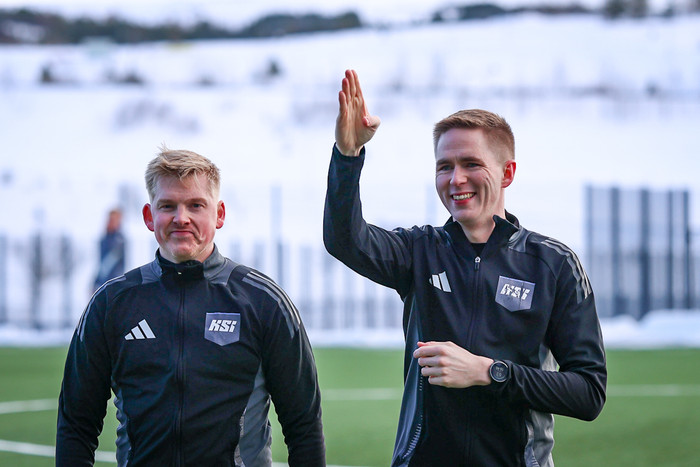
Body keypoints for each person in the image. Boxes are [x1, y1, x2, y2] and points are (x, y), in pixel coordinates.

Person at [323, 70, 606, 466]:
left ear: (507, 173)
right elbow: (344, 240)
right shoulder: (419, 251)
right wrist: (347, 155)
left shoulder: (553, 264)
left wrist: (489, 371)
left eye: (471, 164)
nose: (456, 179)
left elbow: (588, 392)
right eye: (444, 166)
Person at [57, 148, 325, 466]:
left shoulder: (264, 302)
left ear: (219, 214)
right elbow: (76, 425)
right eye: (167, 206)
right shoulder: (111, 304)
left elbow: (304, 426)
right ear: (149, 216)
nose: (181, 218)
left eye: (196, 205)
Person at [93, 208, 126, 291]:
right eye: (110, 219)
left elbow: (109, 264)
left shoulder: (119, 240)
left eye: (114, 220)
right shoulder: (105, 239)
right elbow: (101, 264)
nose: (110, 222)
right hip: (103, 282)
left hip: (113, 284)